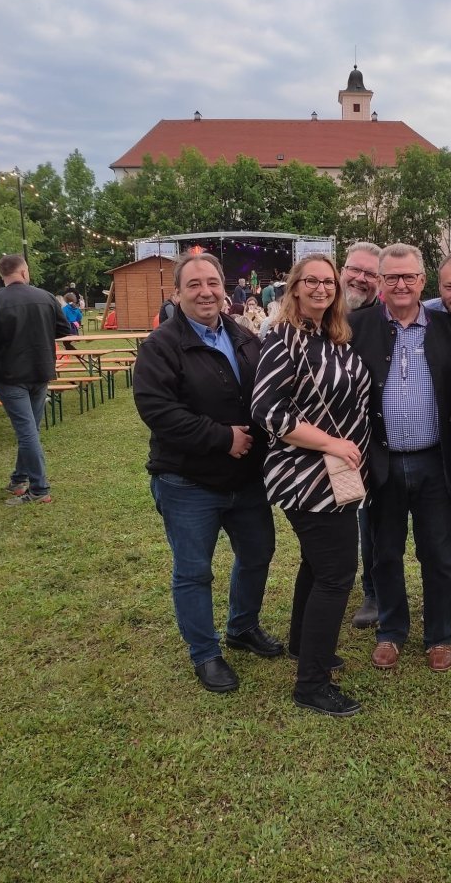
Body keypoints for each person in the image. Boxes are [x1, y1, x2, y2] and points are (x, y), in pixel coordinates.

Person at [133, 252, 282, 694]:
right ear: (177, 293)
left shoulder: (245, 337)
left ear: (225, 288)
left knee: (257, 554)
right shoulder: (161, 346)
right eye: (194, 284)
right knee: (194, 571)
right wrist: (222, 437)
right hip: (188, 481)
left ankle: (242, 627)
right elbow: (158, 410)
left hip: (246, 479)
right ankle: (205, 653)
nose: (205, 292)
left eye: (213, 283)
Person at [252, 254, 371, 717]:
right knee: (337, 573)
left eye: (328, 282)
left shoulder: (331, 337)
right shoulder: (283, 339)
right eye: (312, 281)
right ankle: (312, 684)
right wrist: (332, 443)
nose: (321, 288)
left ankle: (304, 643)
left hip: (338, 474)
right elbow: (269, 411)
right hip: (306, 477)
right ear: (295, 287)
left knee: (318, 565)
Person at [348, 243, 451, 672]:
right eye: (391, 277)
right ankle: (391, 631)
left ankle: (439, 635)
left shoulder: (449, 328)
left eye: (409, 277)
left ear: (422, 280)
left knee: (438, 553)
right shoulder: (356, 326)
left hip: (434, 461)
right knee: (385, 553)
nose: (401, 285)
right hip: (380, 461)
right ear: (380, 282)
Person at [0, 254, 70, 505]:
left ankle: (39, 488)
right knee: (30, 429)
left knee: (27, 431)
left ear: (2, 275)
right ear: (24, 272)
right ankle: (19, 478)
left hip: (10, 375)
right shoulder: (46, 297)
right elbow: (64, 329)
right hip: (41, 371)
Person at [338, 242, 382, 630]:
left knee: (372, 517)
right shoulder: (322, 309)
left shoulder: (383, 317)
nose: (361, 278)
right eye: (356, 269)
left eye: (371, 273)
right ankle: (340, 584)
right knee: (337, 519)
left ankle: (373, 590)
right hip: (328, 438)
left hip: (375, 438)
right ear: (343, 268)